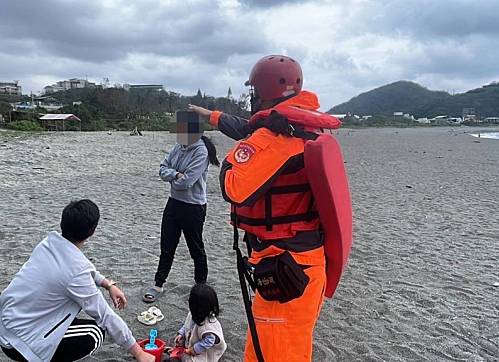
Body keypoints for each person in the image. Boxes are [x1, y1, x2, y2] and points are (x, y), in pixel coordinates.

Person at [189, 55, 347, 361]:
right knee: (292, 348)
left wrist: (239, 151)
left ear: (259, 93)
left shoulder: (276, 137)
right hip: (307, 262)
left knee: (270, 352)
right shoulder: (302, 127)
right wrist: (213, 116)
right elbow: (249, 128)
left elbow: (234, 186)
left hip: (285, 266)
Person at [0, 199, 155, 362]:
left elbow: (80, 265)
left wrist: (108, 284)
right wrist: (139, 353)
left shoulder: (49, 243)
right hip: (20, 343)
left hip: (7, 327)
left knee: (68, 316)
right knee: (94, 332)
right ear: (92, 232)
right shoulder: (77, 273)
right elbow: (105, 315)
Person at [143, 115, 220, 303]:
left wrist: (175, 177)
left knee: (196, 248)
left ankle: (200, 286)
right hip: (174, 203)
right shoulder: (179, 147)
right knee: (167, 245)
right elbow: (162, 168)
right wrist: (175, 174)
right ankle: (158, 283)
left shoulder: (201, 152)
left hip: (194, 206)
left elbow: (186, 183)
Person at [172, 283, 227, 362]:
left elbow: (209, 341)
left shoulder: (208, 326)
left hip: (207, 352)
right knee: (178, 348)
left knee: (185, 359)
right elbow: (187, 325)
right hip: (194, 340)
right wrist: (181, 333)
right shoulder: (193, 314)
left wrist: (194, 349)